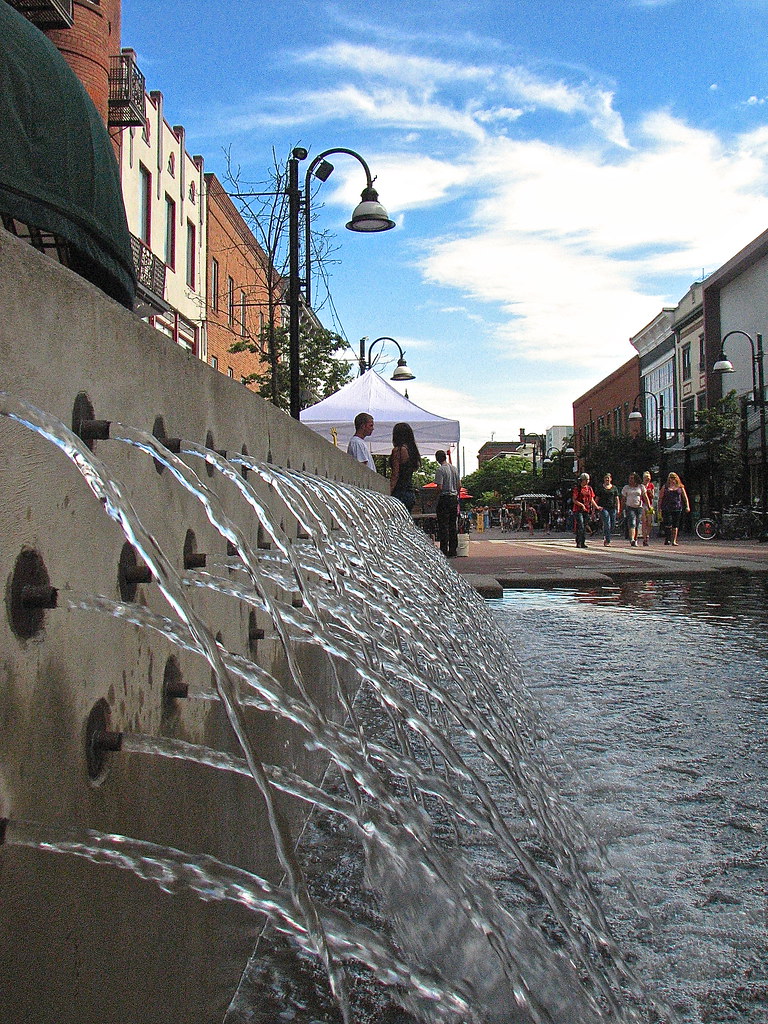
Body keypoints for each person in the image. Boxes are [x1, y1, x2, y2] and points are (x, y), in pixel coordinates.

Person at [389, 422, 421, 511]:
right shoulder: (412, 451)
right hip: (409, 491)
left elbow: (395, 474)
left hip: (399, 492)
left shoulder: (398, 451)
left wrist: (389, 491)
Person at [434, 450, 459, 556]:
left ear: (437, 459)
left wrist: (432, 500)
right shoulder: (454, 469)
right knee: (453, 524)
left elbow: (439, 487)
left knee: (443, 525)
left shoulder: (440, 470)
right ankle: (453, 550)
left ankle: (444, 549)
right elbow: (459, 485)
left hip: (444, 498)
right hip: (454, 498)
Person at [658, 471, 690, 546]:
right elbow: (660, 498)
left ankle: (674, 540)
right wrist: (659, 508)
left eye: (673, 478)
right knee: (668, 523)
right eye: (670, 478)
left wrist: (687, 506)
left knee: (676, 524)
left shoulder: (680, 487)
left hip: (677, 507)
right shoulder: (665, 487)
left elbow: (685, 497)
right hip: (667, 507)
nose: (672, 479)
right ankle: (668, 538)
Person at [621, 472, 650, 547]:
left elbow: (645, 497)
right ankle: (632, 539)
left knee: (637, 523)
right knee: (632, 522)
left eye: (632, 478)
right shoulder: (626, 488)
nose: (630, 480)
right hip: (630, 507)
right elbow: (623, 499)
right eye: (629, 478)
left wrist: (649, 505)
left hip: (639, 507)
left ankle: (635, 539)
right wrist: (621, 509)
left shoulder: (641, 487)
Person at [572, 473, 600, 548]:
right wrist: (582, 505)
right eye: (586, 480)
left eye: (588, 480)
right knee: (580, 525)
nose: (588, 481)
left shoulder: (589, 488)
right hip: (578, 509)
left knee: (584, 526)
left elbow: (591, 499)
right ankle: (579, 542)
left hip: (586, 509)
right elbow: (574, 500)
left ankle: (583, 542)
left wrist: (597, 507)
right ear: (582, 480)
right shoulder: (577, 488)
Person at [596, 472, 621, 547]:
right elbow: (596, 499)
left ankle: (606, 534)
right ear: (604, 479)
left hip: (612, 508)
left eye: (608, 478)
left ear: (611, 479)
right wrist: (595, 508)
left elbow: (617, 499)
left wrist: (618, 508)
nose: (607, 479)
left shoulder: (614, 488)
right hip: (603, 508)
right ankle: (607, 540)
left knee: (612, 524)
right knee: (607, 522)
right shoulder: (601, 488)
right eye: (606, 478)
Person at [641, 471, 655, 547]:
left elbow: (653, 496)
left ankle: (647, 535)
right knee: (644, 521)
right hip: (642, 504)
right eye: (646, 478)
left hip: (650, 504)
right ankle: (644, 539)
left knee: (650, 522)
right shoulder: (641, 485)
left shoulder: (651, 485)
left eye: (649, 478)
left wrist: (650, 492)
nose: (648, 480)